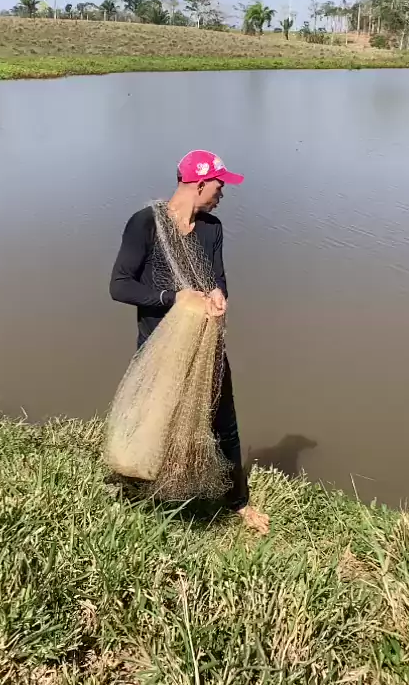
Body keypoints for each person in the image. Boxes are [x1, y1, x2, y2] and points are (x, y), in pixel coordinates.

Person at [109, 149, 269, 534]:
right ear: (199, 183)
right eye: (219, 186)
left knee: (225, 423)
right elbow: (120, 286)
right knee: (153, 423)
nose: (222, 194)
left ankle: (238, 503)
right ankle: (136, 489)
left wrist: (218, 295)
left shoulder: (212, 228)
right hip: (159, 346)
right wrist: (173, 297)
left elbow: (218, 277)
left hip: (205, 343)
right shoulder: (145, 223)